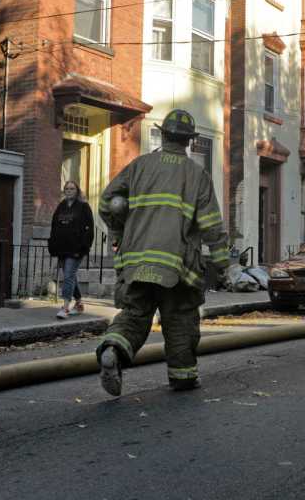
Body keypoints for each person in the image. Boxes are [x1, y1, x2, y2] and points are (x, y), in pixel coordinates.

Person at [95, 109, 228, 396]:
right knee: (180, 322)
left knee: (134, 315)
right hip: (177, 269)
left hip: (136, 263)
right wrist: (224, 263)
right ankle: (183, 377)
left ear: (163, 135)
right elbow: (211, 226)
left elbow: (107, 203)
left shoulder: (139, 166)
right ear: (189, 142)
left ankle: (113, 351)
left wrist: (120, 232)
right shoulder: (196, 174)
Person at [47, 180, 94, 319]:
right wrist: (53, 245)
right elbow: (54, 226)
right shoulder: (61, 206)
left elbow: (89, 229)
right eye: (67, 189)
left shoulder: (83, 207)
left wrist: (84, 246)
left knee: (68, 275)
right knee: (70, 276)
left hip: (76, 249)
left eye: (72, 189)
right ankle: (79, 304)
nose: (69, 191)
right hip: (62, 248)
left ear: (77, 191)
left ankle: (65, 307)